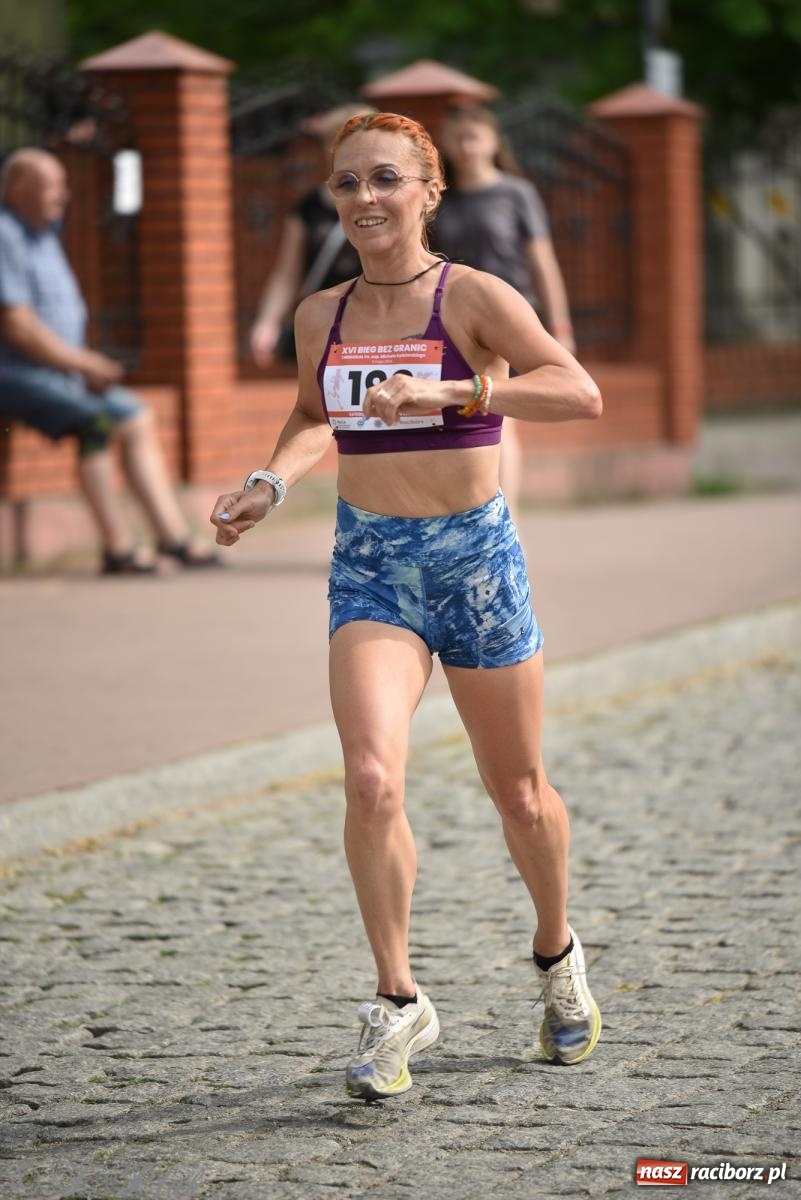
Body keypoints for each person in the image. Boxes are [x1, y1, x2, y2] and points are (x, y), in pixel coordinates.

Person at [211, 112, 603, 1102]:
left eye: (385, 180)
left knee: (520, 795)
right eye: (347, 184)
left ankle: (556, 955)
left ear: (429, 192)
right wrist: (271, 480)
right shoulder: (321, 314)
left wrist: (457, 395)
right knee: (372, 780)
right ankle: (397, 1002)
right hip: (373, 565)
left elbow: (576, 390)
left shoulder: (470, 295)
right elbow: (313, 413)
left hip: (476, 560)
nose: (364, 200)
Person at [0, 148, 219, 574]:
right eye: (52, 187)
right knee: (95, 423)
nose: (63, 196)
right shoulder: (5, 233)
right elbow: (19, 326)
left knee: (136, 416)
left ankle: (173, 538)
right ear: (17, 190)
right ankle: (117, 548)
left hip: (63, 374)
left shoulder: (43, 232)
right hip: (17, 373)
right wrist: (83, 364)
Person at [431, 105, 576, 518]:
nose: (466, 145)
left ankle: (503, 519)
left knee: (499, 413)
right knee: (460, 415)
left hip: (511, 320)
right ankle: (463, 511)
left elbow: (543, 262)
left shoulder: (516, 193)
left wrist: (560, 325)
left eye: (474, 135)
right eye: (458, 137)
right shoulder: (442, 198)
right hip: (453, 320)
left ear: (494, 142)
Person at [249, 104, 375, 369]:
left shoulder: (387, 200)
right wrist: (268, 322)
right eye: (334, 141)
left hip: (378, 317)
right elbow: (287, 272)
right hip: (326, 322)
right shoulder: (308, 206)